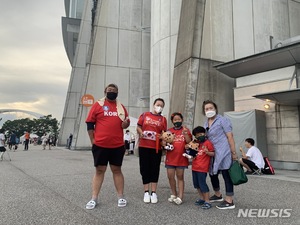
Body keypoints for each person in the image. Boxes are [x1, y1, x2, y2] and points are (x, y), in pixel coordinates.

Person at [85, 83, 130, 210]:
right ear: (105, 91)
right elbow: (90, 123)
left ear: (117, 93)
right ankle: (94, 198)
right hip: (100, 145)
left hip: (117, 145)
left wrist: (126, 124)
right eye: (109, 90)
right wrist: (92, 140)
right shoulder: (98, 105)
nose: (112, 92)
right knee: (99, 171)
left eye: (114, 90)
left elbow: (124, 125)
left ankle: (121, 196)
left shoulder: (120, 107)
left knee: (117, 170)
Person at [202, 100, 238, 209]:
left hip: (224, 151)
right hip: (212, 152)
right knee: (213, 174)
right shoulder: (206, 122)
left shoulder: (223, 120)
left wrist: (234, 152)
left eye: (211, 108)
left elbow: (230, 136)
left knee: (226, 174)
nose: (209, 110)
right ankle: (218, 194)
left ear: (215, 108)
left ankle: (229, 200)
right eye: (206, 109)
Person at [137, 98, 167, 204]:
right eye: (158, 104)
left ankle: (153, 192)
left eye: (161, 105)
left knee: (155, 168)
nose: (159, 107)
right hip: (144, 146)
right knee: (144, 168)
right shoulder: (145, 115)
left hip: (156, 147)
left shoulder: (163, 119)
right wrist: (141, 133)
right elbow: (138, 127)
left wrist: (163, 140)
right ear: (153, 105)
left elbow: (164, 134)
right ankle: (146, 191)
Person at [164, 112, 192, 205]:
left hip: (181, 158)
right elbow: (164, 142)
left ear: (182, 120)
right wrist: (165, 143)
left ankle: (180, 196)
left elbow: (189, 142)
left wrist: (186, 134)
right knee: (170, 176)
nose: (177, 121)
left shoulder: (186, 130)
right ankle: (174, 194)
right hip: (170, 158)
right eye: (175, 120)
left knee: (180, 177)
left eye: (179, 119)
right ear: (172, 121)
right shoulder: (169, 131)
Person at [190, 126, 214, 209]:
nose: (200, 136)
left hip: (202, 168)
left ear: (205, 133)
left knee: (202, 184)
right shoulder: (195, 144)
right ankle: (202, 198)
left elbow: (213, 153)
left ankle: (207, 201)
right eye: (197, 135)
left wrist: (207, 152)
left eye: (201, 134)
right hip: (194, 167)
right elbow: (192, 154)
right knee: (196, 184)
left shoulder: (208, 143)